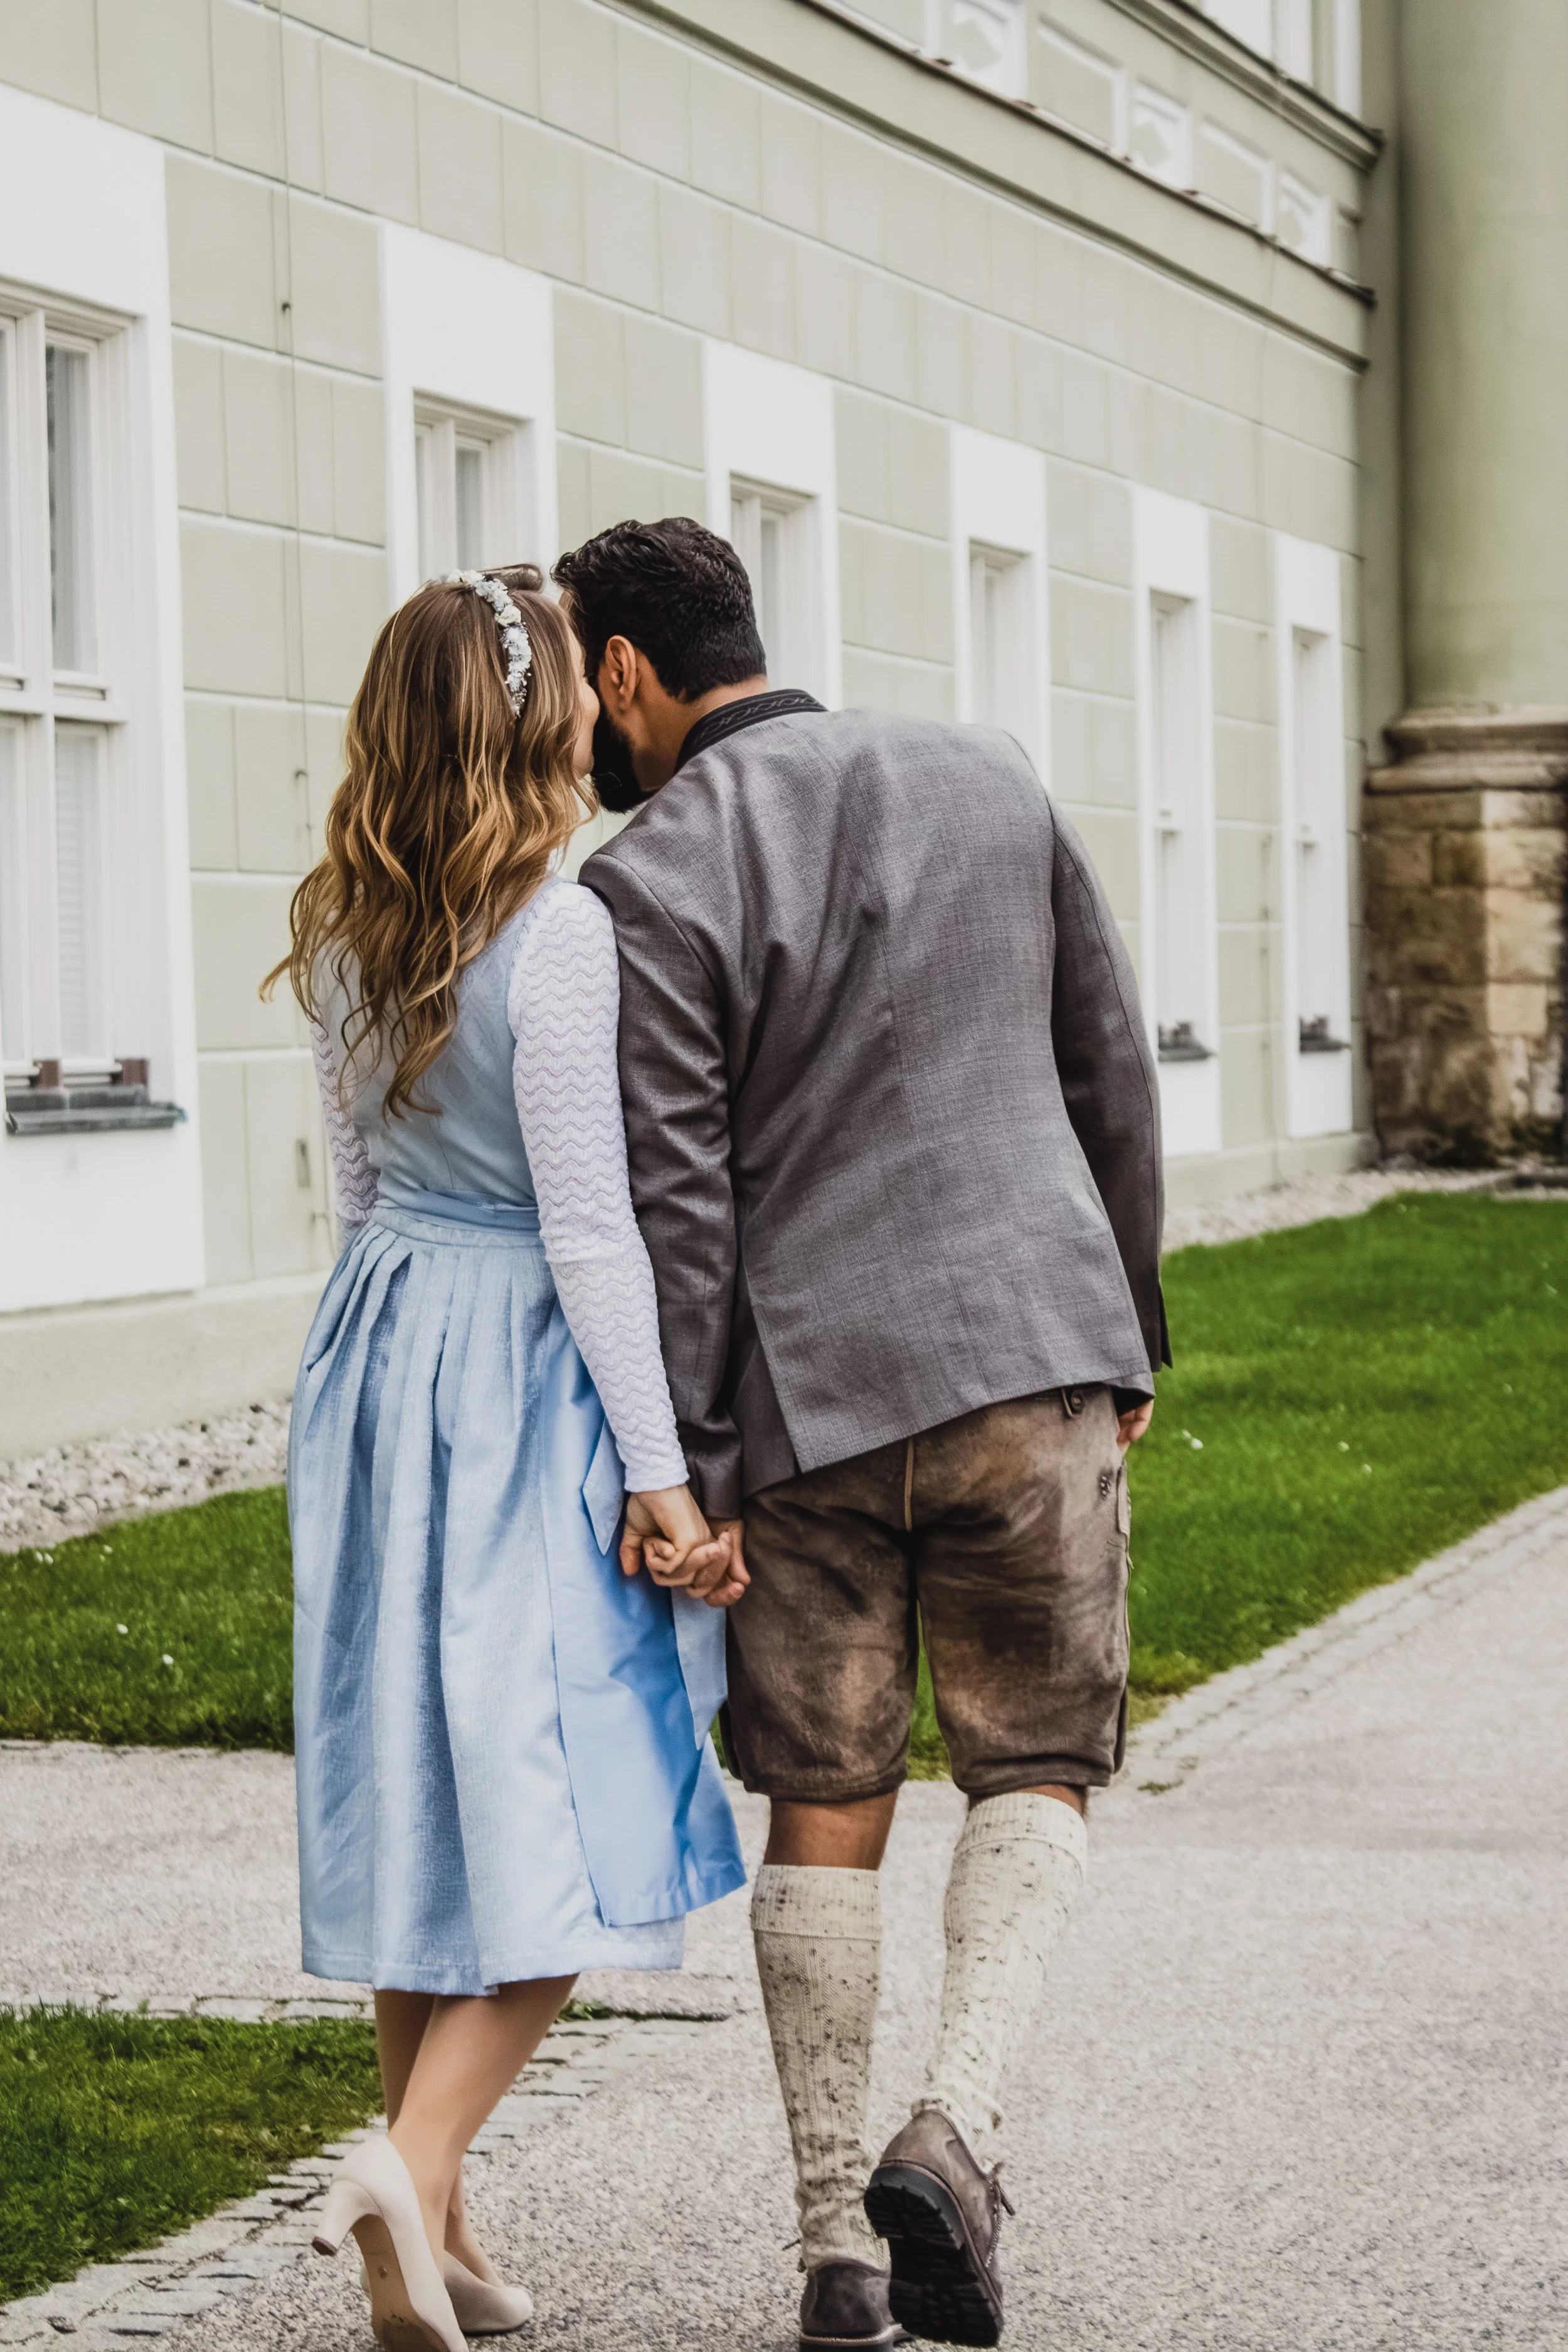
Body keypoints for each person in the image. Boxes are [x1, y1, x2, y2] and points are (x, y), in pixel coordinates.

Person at [556, 517, 1168, 2352]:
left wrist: (698, 1466)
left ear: (621, 674)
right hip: (1027, 1361)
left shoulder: (641, 878)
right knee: (1034, 1762)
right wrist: (1125, 1315)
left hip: (809, 1419)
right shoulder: (988, 771)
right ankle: (952, 2130)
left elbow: (674, 1197)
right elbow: (1105, 1059)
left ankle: (837, 2242)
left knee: (824, 1798)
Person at [268, 566, 746, 2352]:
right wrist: (661, 1468)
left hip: (383, 1355)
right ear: (547, 719)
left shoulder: (339, 922)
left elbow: (362, 1193)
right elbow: (594, 1227)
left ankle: (442, 2222)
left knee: (424, 1782)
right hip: (528, 1372)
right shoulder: (563, 930)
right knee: (568, 1787)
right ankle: (410, 2158)